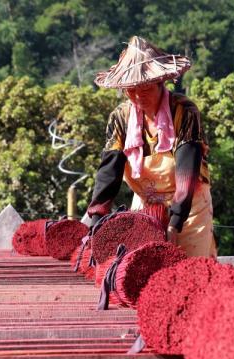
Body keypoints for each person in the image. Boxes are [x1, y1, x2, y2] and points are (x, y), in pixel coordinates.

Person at [86, 36, 216, 257]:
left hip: (188, 206)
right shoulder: (120, 117)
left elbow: (186, 172)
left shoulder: (183, 112)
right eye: (130, 89)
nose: (137, 96)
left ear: (160, 83)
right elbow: (110, 170)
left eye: (145, 88)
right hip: (147, 205)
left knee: (190, 269)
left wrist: (175, 224)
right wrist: (96, 219)